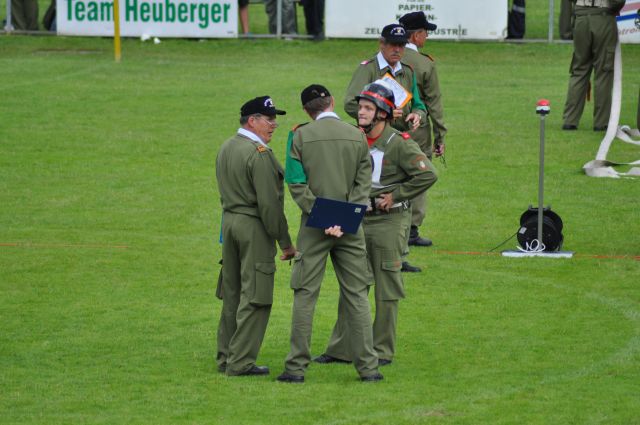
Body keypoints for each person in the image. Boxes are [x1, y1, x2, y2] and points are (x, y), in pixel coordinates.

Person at [316, 82, 437, 368]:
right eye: (360, 107)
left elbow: (427, 174)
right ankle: (341, 348)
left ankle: (382, 350)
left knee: (386, 287)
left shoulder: (400, 143)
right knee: (352, 284)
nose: (361, 112)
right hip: (356, 217)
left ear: (383, 113)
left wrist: (397, 195)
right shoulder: (353, 138)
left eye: (368, 108)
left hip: (389, 222)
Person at [276, 84, 382, 383]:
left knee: (305, 295)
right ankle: (368, 368)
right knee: (357, 295)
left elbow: (296, 183)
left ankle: (296, 368)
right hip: (351, 227)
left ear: (306, 110)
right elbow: (364, 182)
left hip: (314, 227)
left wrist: (324, 218)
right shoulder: (356, 135)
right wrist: (346, 218)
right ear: (332, 102)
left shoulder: (299, 136)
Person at [215, 96, 296, 376]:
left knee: (232, 293)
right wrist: (285, 242)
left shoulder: (227, 146)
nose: (274, 124)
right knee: (256, 296)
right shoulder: (259, 154)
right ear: (252, 121)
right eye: (268, 119)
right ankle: (240, 362)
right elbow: (269, 206)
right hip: (253, 227)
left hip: (229, 224)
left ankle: (226, 357)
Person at [343, 23, 427, 273]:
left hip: (399, 140)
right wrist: (383, 112)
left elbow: (419, 103)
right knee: (374, 190)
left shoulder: (407, 71)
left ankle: (399, 253)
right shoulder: (368, 69)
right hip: (375, 140)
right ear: (381, 44)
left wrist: (417, 115)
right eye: (392, 45)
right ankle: (366, 250)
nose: (397, 50)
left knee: (402, 197)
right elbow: (351, 104)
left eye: (401, 45)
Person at [399, 11, 447, 249]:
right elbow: (434, 104)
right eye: (425, 32)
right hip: (416, 130)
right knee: (419, 175)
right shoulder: (424, 63)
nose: (426, 36)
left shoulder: (384, 59)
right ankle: (412, 230)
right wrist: (440, 137)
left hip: (385, 130)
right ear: (416, 35)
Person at [562, 0, 626, 131]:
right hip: (603, 18)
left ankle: (570, 120)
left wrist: (566, 29)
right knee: (604, 72)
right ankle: (601, 123)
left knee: (579, 71)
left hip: (581, 19)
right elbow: (618, 1)